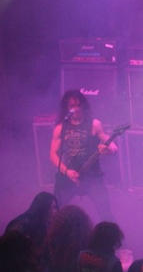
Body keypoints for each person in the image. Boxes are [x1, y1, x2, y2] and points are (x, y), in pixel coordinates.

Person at [50, 89, 118, 223]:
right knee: (55, 212)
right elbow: (53, 155)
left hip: (92, 175)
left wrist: (108, 150)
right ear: (67, 108)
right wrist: (66, 171)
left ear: (83, 106)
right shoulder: (60, 128)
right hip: (69, 175)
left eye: (78, 105)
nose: (76, 109)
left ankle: (114, 236)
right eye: (72, 106)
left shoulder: (94, 124)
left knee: (105, 212)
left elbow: (114, 148)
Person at [6, 191, 59, 257]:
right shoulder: (20, 225)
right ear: (40, 208)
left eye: (54, 207)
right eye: (48, 208)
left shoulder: (46, 223)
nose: (52, 212)